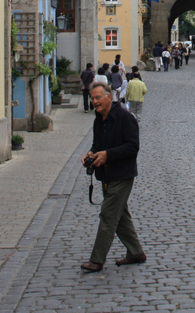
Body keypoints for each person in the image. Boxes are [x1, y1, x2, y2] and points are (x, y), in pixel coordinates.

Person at [80, 82, 145, 272]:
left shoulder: (125, 118)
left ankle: (97, 260)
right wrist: (91, 154)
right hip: (106, 174)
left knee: (108, 214)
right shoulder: (98, 119)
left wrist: (108, 154)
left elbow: (133, 146)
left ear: (109, 96)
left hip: (122, 174)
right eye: (92, 98)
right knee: (120, 215)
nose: (95, 102)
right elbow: (97, 143)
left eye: (98, 97)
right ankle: (136, 252)